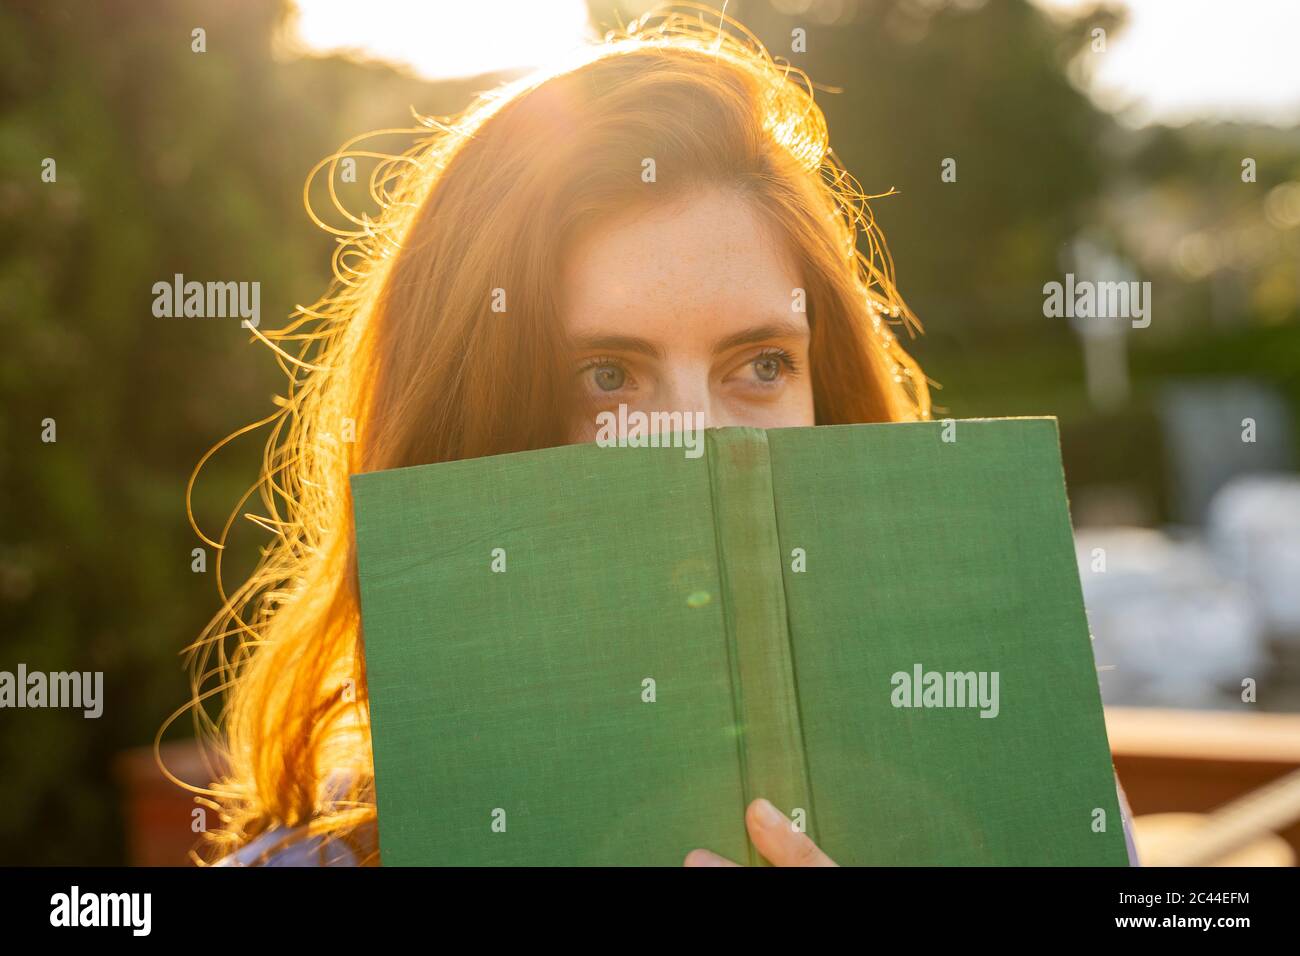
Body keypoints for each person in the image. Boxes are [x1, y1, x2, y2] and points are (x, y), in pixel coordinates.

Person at [179, 5, 1139, 867]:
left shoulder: (1046, 810)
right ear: (472, 426)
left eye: (762, 364)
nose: (697, 440)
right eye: (607, 376)